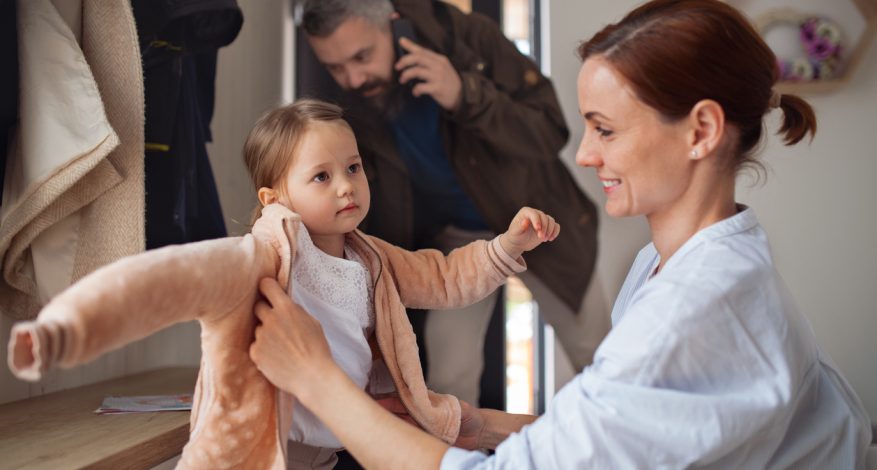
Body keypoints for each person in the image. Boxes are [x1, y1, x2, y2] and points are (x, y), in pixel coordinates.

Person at [249, 1, 874, 467]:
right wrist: (476, 424)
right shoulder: (689, 263)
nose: (584, 155)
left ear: (701, 131)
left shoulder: (689, 313)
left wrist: (319, 383)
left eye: (605, 129)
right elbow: (613, 424)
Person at [7, 99, 561, 469]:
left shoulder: (374, 259)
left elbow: (446, 279)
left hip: (333, 444)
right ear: (275, 198)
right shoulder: (257, 259)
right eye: (322, 176)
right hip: (266, 443)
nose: (347, 187)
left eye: (354, 168)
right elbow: (159, 281)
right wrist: (63, 329)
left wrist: (505, 248)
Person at [297, 0, 608, 405]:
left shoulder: (468, 37)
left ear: (393, 24)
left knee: (598, 359)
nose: (353, 78)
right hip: (457, 242)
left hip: (540, 224)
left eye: (362, 56)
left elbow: (550, 129)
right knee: (448, 378)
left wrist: (466, 93)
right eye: (336, 67)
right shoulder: (344, 98)